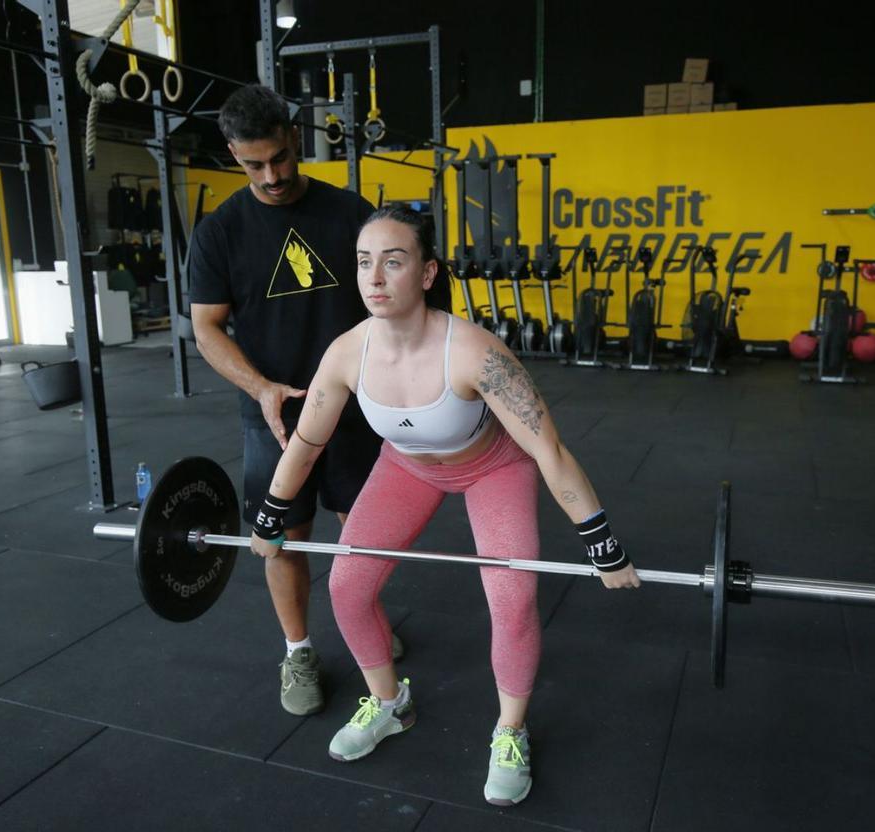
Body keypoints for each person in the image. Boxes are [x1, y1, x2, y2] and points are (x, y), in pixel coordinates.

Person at [250, 203, 640, 806]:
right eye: (363, 263)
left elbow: (550, 451)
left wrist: (602, 542)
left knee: (512, 596)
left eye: (393, 262)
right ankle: (389, 703)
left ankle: (510, 729)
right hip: (406, 469)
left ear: (427, 274)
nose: (374, 278)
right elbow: (305, 445)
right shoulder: (346, 353)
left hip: (493, 468)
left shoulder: (474, 352)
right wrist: (272, 516)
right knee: (347, 587)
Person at [189, 84, 392, 718]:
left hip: (356, 408)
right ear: (233, 155)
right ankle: (298, 649)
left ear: (296, 139)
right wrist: (261, 388)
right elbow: (206, 326)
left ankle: (366, 623)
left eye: (279, 158)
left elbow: (390, 301)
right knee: (281, 538)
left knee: (363, 533)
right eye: (254, 165)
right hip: (273, 415)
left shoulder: (350, 214)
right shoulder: (220, 233)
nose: (272, 176)